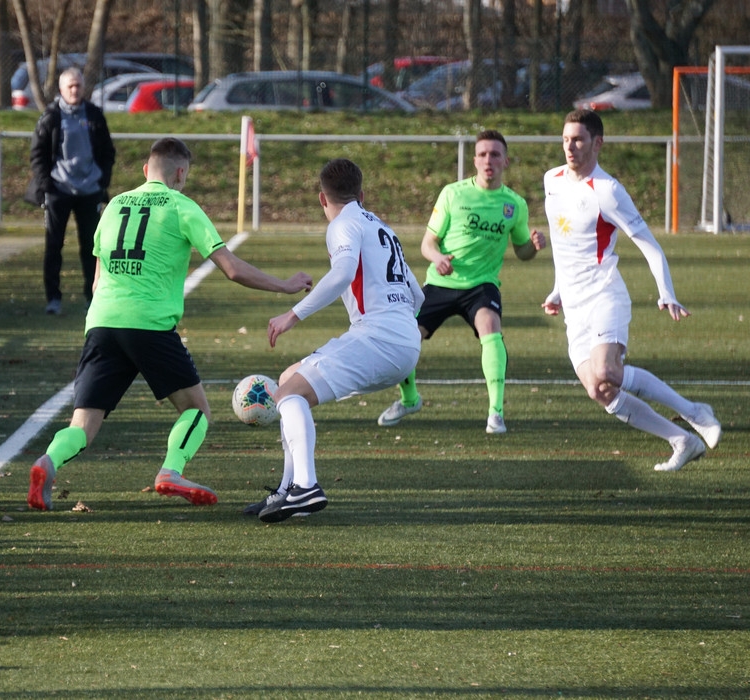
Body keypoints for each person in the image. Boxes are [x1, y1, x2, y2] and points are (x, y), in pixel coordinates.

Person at [26, 137, 313, 511]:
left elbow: (97, 282)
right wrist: (284, 285)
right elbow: (231, 268)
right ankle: (170, 471)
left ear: (146, 170)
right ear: (180, 173)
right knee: (197, 410)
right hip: (149, 325)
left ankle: (46, 462)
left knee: (83, 425)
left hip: (101, 322)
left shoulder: (113, 206)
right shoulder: (181, 206)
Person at [243, 158, 423, 523]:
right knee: (290, 377)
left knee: (289, 394)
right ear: (362, 193)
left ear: (322, 199)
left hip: (380, 337)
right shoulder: (382, 227)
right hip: (403, 339)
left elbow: (342, 274)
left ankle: (306, 487)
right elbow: (417, 295)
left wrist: (292, 315)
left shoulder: (343, 223)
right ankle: (286, 490)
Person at [541, 109, 721, 471]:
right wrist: (557, 290)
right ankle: (681, 440)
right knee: (599, 390)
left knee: (608, 372)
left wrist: (665, 291)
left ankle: (695, 412)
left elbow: (649, 244)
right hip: (574, 309)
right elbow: (565, 246)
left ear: (597, 143)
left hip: (605, 296)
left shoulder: (608, 191)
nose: (570, 147)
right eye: (565, 139)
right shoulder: (552, 180)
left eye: (578, 139)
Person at [377, 129, 547, 434]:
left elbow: (522, 251)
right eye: (482, 154)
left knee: (490, 328)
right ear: (474, 160)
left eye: (495, 154)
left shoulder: (514, 204)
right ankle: (410, 398)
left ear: (506, 161)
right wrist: (437, 258)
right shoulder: (453, 194)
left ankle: (496, 413)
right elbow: (428, 243)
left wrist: (532, 246)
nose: (488, 160)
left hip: (481, 286)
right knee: (405, 337)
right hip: (441, 283)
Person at [27, 66, 115, 315]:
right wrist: (47, 185)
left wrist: (101, 181)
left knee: (92, 246)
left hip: (89, 191)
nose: (75, 90)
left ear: (83, 87)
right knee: (54, 246)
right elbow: (38, 153)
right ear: (61, 89)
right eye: (70, 86)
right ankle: (53, 299)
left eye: (78, 85)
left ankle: (92, 296)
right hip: (59, 190)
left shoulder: (95, 114)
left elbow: (108, 151)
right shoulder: (51, 116)